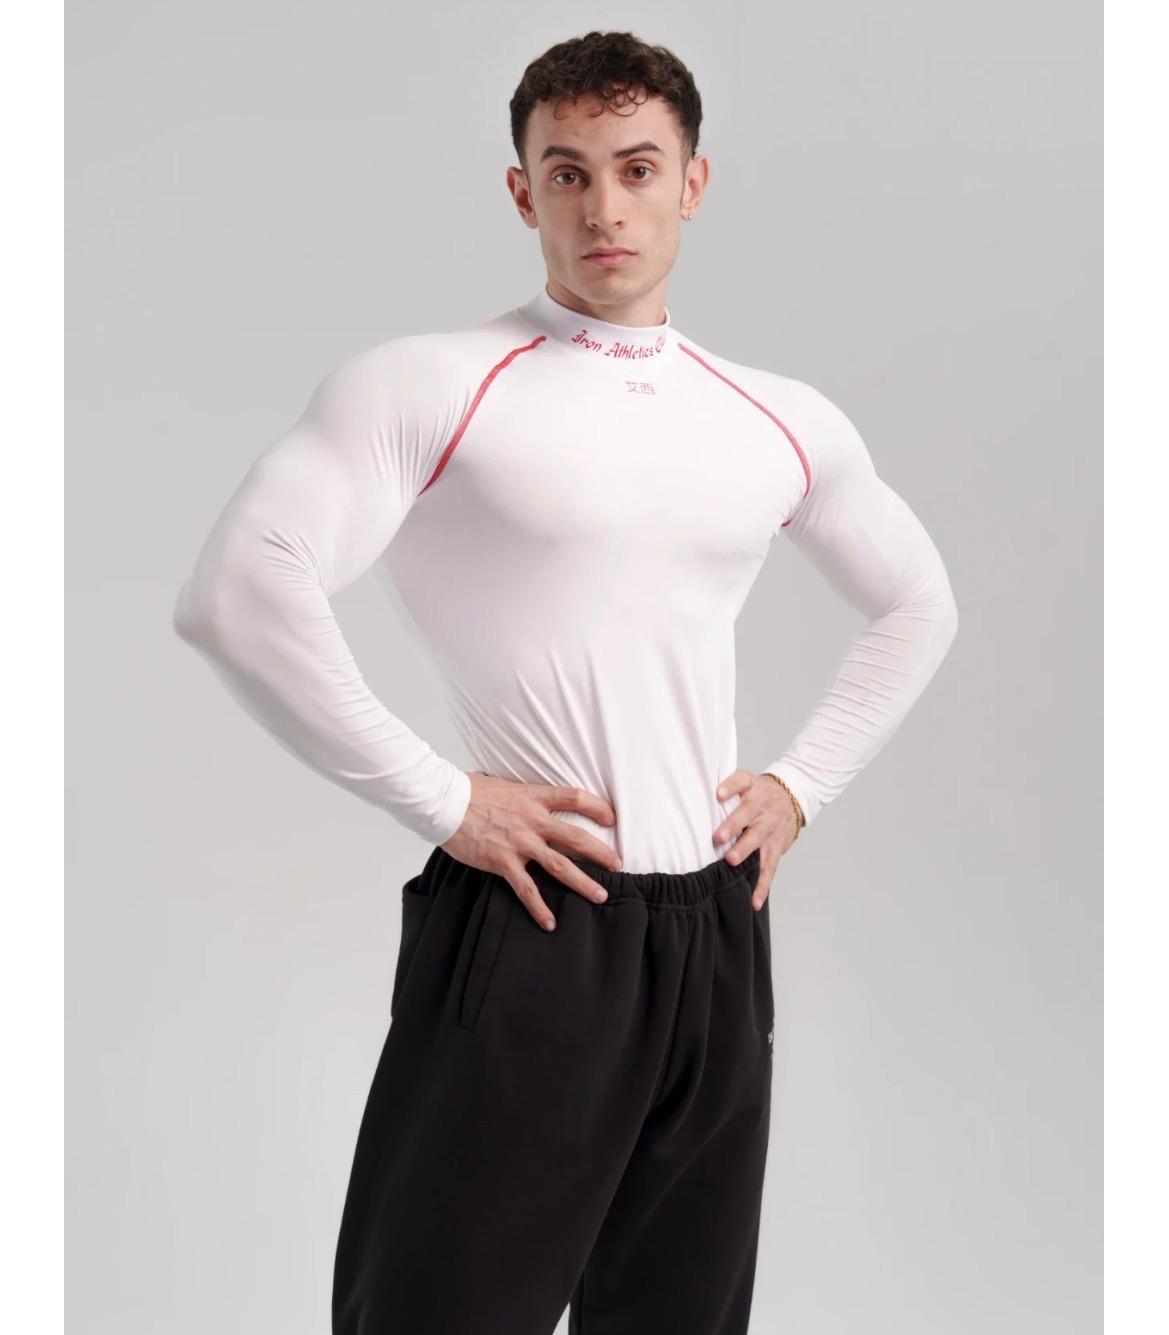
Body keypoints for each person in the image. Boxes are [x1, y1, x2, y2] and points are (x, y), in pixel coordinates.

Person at [172, 29, 958, 1335]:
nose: (604, 208)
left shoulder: (774, 415)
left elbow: (918, 601)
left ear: (691, 183)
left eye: (637, 169)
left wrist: (802, 783)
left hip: (716, 929)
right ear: (521, 190)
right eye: (568, 172)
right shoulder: (431, 385)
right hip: (536, 917)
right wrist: (443, 800)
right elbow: (237, 592)